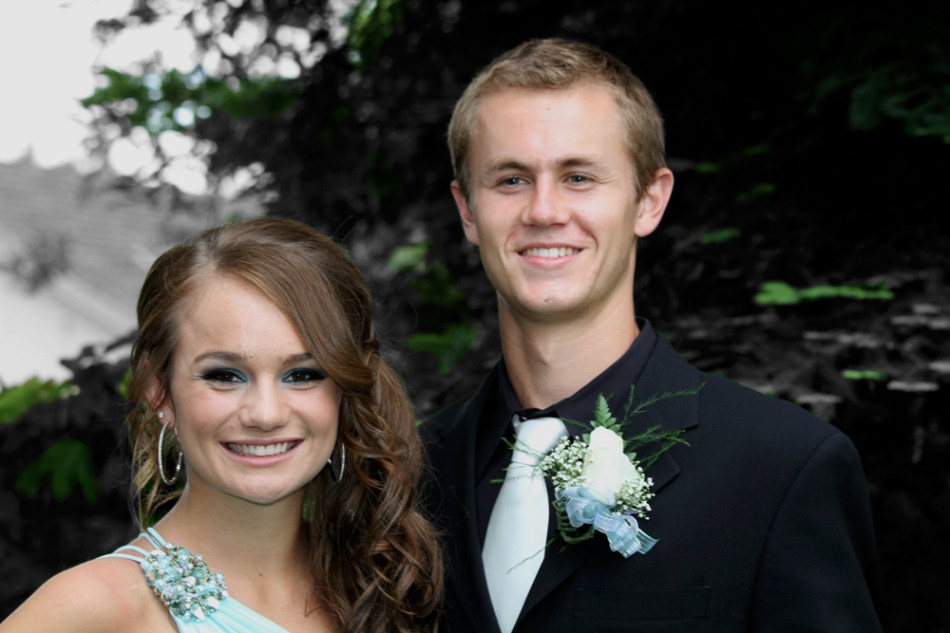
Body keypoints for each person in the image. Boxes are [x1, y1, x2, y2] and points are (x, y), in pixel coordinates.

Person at [420, 38, 881, 632]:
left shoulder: (784, 469)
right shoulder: (412, 472)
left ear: (649, 201)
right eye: (511, 180)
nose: (544, 210)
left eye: (579, 177)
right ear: (467, 210)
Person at [1, 217, 443, 633]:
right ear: (159, 391)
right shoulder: (95, 608)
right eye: (225, 375)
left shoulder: (385, 582)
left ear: (346, 391)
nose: (266, 414)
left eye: (302, 374)